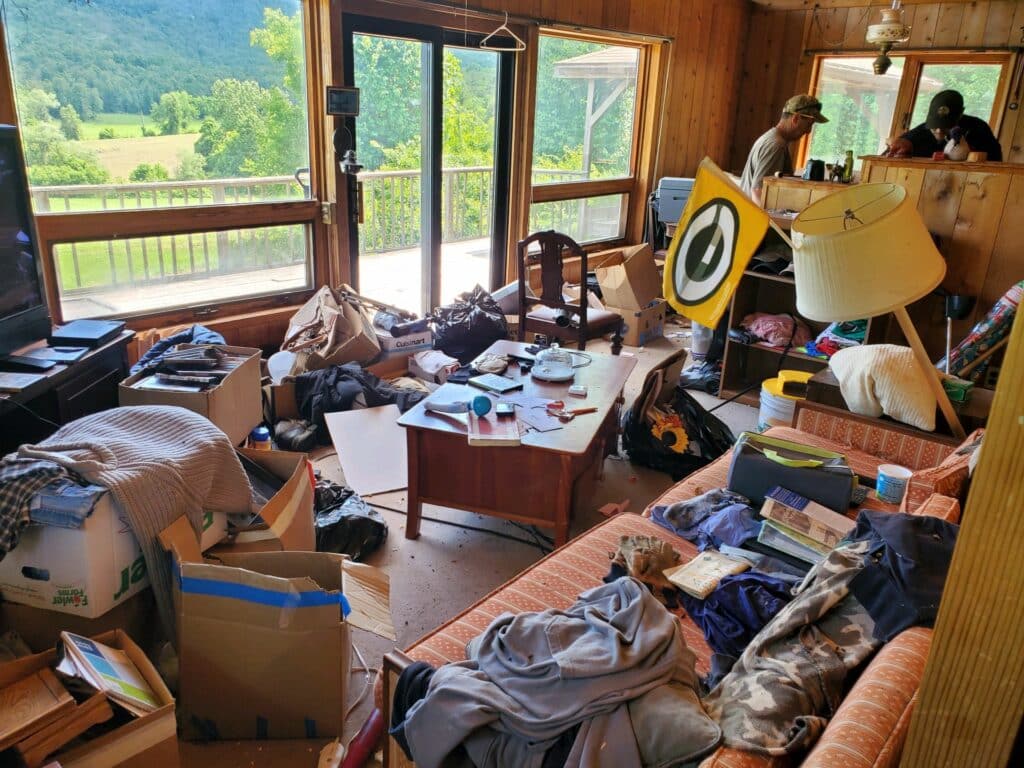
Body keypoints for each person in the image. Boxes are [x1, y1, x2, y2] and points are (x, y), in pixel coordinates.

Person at [740, 94, 829, 205]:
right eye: (808, 124)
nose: (808, 131)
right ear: (796, 118)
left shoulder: (773, 139)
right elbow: (759, 192)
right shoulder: (776, 146)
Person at [884, 89, 1002, 161]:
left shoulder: (978, 128)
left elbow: (996, 161)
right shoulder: (917, 134)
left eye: (946, 126)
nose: (939, 130)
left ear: (961, 113)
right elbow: (890, 154)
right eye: (934, 126)